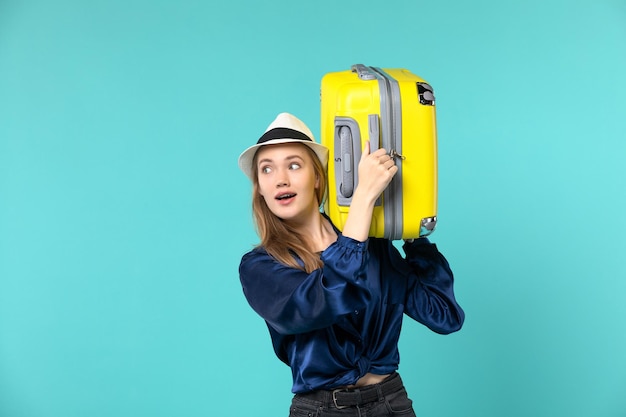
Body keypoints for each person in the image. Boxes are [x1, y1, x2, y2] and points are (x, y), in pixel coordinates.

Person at [238, 112, 465, 416]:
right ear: (261, 190)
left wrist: (414, 232)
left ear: (317, 177)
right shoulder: (260, 267)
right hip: (321, 410)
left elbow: (445, 316)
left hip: (391, 403)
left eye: (294, 165)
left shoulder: (374, 246)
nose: (280, 179)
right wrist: (363, 200)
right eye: (266, 170)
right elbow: (326, 298)